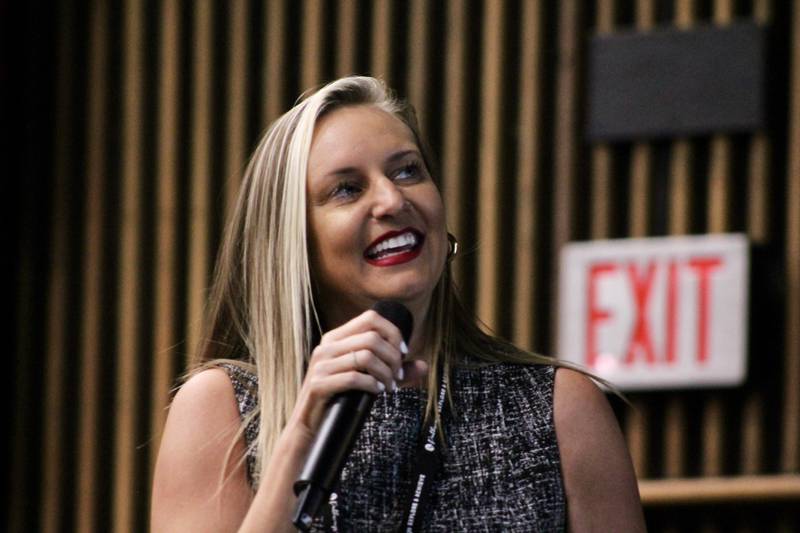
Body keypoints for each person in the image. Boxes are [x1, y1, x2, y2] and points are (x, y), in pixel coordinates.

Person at [150, 76, 645, 532]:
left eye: (407, 171)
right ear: (293, 242)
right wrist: (299, 438)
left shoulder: (558, 407)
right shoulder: (224, 407)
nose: (391, 200)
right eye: (347, 189)